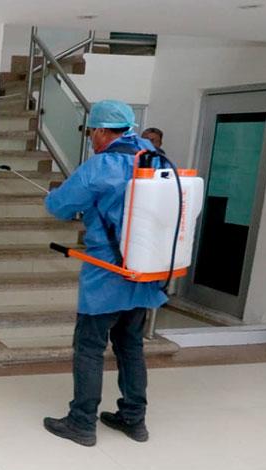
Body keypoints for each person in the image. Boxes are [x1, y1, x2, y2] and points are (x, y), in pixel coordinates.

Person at [43, 100, 166, 447]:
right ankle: (134, 419)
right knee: (130, 345)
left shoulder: (102, 166)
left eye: (90, 133)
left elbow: (59, 206)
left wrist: (55, 196)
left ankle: (82, 423)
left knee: (89, 347)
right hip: (143, 272)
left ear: (100, 130)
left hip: (107, 275)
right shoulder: (153, 157)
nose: (90, 139)